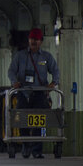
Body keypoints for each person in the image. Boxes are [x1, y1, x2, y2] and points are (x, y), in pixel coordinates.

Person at [7, 27, 60, 158]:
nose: (33, 42)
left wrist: (53, 83)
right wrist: (14, 81)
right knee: (21, 120)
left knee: (39, 122)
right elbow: (11, 71)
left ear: (41, 41)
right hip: (23, 93)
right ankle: (25, 146)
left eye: (36, 39)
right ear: (28, 40)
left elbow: (55, 71)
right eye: (31, 39)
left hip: (39, 94)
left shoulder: (46, 57)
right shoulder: (20, 56)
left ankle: (37, 150)